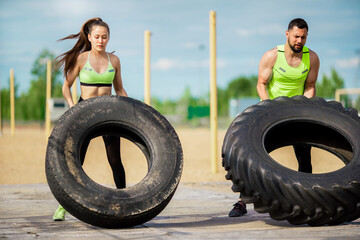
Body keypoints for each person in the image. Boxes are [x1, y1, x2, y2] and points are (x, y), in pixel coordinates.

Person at [228, 18, 320, 217]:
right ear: (287, 34)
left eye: (303, 37)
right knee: (250, 157)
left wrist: (303, 105)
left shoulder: (311, 58)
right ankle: (241, 202)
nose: (299, 40)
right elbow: (261, 83)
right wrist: (268, 105)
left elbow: (310, 86)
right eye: (296, 36)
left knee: (305, 157)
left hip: (297, 112)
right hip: (270, 112)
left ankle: (306, 203)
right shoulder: (272, 56)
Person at [52, 17, 128, 221]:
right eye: (97, 37)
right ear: (89, 37)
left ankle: (126, 203)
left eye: (104, 37)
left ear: (108, 38)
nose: (101, 41)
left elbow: (119, 89)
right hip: (84, 114)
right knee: (77, 161)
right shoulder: (81, 59)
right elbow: (66, 86)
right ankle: (62, 206)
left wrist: (132, 110)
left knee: (115, 160)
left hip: (108, 113)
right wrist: (72, 108)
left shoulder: (114, 61)